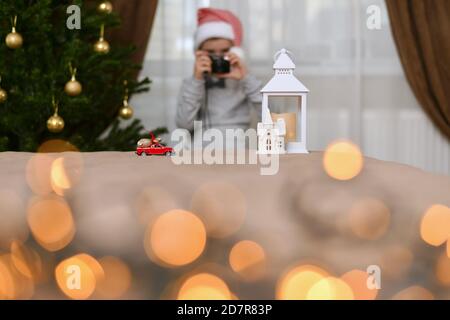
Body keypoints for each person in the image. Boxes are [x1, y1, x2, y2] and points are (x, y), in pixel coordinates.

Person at [176, 8, 262, 135]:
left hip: (238, 148)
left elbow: (275, 119)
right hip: (201, 150)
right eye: (210, 52)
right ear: (198, 53)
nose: (218, 58)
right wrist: (197, 81)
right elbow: (183, 126)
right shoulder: (191, 84)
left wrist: (246, 78)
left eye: (225, 51)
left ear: (236, 51)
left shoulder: (245, 82)